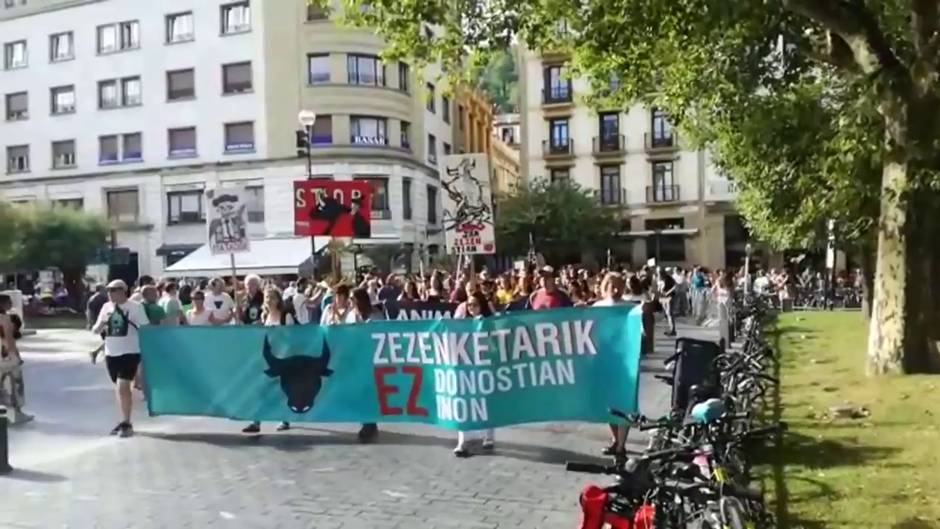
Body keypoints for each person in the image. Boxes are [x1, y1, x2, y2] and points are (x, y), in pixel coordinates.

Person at [90, 280, 150, 438]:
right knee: (119, 388)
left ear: (124, 291)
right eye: (108, 290)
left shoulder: (135, 307)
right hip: (111, 353)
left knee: (123, 386)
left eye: (114, 290)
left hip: (130, 352)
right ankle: (123, 418)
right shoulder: (106, 307)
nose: (110, 293)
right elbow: (96, 329)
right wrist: (100, 325)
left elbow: (145, 327)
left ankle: (126, 423)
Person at [242, 287, 294, 434]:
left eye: (272, 297)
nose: (269, 300)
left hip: (284, 358)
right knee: (261, 390)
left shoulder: (286, 316)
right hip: (269, 359)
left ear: (278, 300)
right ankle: (256, 421)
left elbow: (293, 337)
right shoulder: (265, 316)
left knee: (283, 392)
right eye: (266, 298)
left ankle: (285, 419)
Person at [453, 291, 495, 458]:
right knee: (463, 402)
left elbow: (494, 343)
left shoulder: (488, 322)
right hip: (466, 367)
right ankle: (462, 442)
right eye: (469, 305)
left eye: (475, 305)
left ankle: (489, 436)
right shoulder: (463, 323)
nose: (471, 308)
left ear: (482, 306)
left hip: (483, 366)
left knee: (486, 402)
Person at [592, 274, 628, 455]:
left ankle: (622, 445)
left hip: (624, 362)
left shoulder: (629, 307)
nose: (614, 290)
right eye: (611, 286)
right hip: (604, 360)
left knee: (623, 403)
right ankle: (615, 439)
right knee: (609, 406)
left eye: (618, 286)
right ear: (604, 286)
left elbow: (640, 335)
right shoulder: (597, 307)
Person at [353, 287, 384, 443]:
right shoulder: (353, 315)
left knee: (369, 392)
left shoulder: (375, 315)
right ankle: (366, 423)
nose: (353, 303)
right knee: (359, 392)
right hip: (357, 359)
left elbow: (383, 333)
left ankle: (370, 424)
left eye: (355, 300)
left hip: (372, 359)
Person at [0, 294, 32, 424]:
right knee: (16, 383)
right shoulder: (5, 319)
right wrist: (16, 356)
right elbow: (9, 340)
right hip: (6, 355)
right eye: (9, 302)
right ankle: (17, 413)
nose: (11, 304)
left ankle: (3, 414)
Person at [657, 269, 677, 336]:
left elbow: (675, 286)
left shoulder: (669, 279)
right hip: (663, 298)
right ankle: (670, 329)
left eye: (659, 274)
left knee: (669, 314)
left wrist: (668, 292)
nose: (658, 275)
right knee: (666, 314)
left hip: (669, 297)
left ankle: (672, 330)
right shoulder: (660, 279)